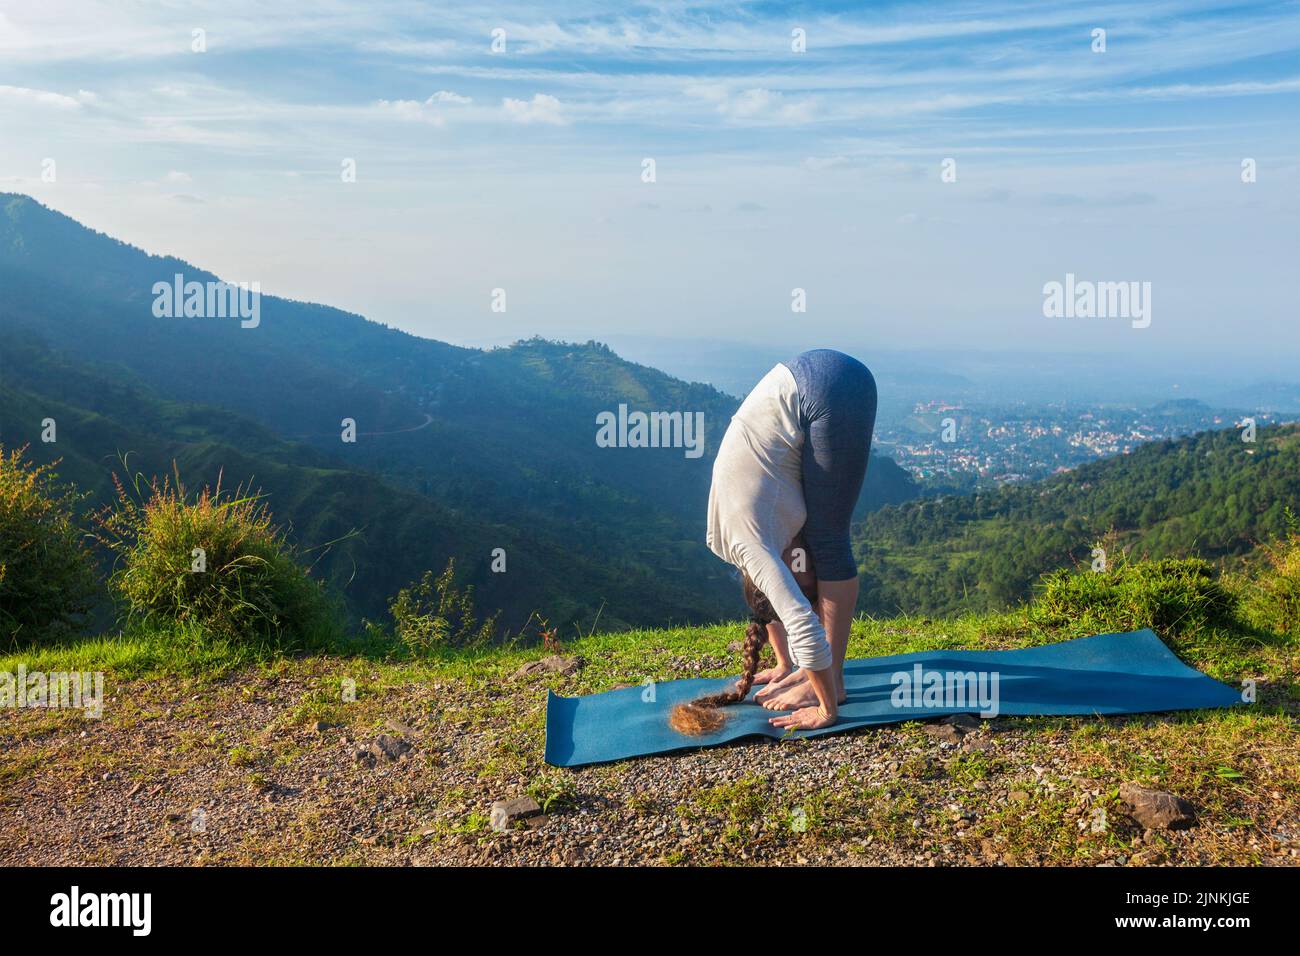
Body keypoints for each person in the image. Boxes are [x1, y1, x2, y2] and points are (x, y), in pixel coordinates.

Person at [704, 349, 876, 731]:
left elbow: (796, 617)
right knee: (816, 542)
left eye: (806, 591)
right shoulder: (738, 546)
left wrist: (826, 711)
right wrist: (784, 663)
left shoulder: (753, 547)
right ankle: (822, 676)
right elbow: (770, 601)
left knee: (827, 541)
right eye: (814, 596)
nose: (813, 598)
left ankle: (834, 684)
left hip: (827, 390)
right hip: (806, 374)